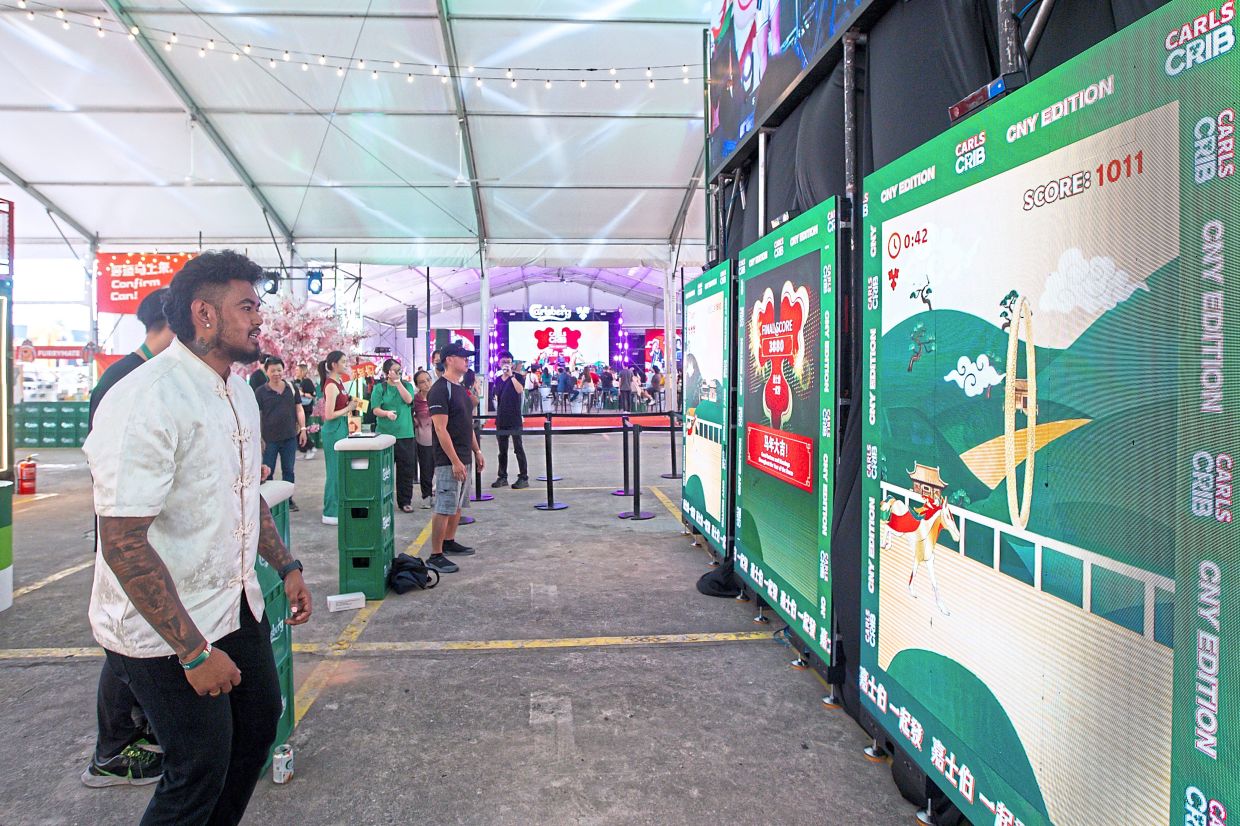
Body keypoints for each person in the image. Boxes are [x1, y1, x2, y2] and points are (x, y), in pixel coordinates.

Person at [84, 249, 312, 825]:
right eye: (247, 307)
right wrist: (194, 652)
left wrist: (286, 565)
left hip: (234, 603)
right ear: (204, 314)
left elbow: (244, 494)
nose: (259, 319)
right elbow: (122, 542)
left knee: (257, 728)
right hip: (162, 628)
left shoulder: (239, 393)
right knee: (198, 767)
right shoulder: (145, 397)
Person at [82, 287, 175, 789]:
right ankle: (112, 750)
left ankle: (137, 730)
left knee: (142, 635)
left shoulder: (152, 374)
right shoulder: (125, 380)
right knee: (125, 641)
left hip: (149, 530)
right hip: (126, 534)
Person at [425, 342, 484, 574]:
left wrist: (476, 451)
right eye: (462, 357)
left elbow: (467, 424)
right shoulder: (440, 390)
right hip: (448, 460)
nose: (467, 361)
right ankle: (435, 554)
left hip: (464, 455)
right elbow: (441, 429)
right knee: (444, 506)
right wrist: (454, 460)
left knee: (457, 505)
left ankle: (449, 541)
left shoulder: (459, 388)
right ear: (449, 359)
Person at [254, 356, 308, 511]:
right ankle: (268, 503)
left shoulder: (291, 388)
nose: (276, 373)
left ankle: (288, 500)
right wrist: (259, 438)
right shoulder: (261, 392)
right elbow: (257, 416)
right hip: (269, 439)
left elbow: (299, 409)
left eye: (279, 370)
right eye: (273, 371)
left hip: (289, 437)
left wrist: (303, 429)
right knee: (267, 471)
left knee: (288, 470)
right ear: (266, 372)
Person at [370, 358, 417, 512]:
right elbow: (375, 409)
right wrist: (386, 413)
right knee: (385, 470)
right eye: (395, 370)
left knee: (406, 469)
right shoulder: (380, 388)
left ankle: (405, 501)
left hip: (405, 434)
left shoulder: (407, 386)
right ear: (387, 372)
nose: (398, 372)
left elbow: (408, 400)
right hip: (385, 435)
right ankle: (383, 499)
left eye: (399, 370)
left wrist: (398, 383)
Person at [318, 350, 356, 525]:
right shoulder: (331, 385)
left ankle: (339, 507)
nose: (345, 364)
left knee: (341, 470)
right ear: (334, 365)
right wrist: (349, 408)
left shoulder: (339, 382)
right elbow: (329, 414)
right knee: (334, 472)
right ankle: (330, 511)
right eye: (343, 361)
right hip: (334, 429)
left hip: (342, 427)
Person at [490, 351, 529, 489]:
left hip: (515, 418)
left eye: (508, 362)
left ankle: (523, 477)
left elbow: (520, 390)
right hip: (501, 419)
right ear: (499, 363)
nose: (506, 364)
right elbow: (496, 397)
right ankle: (502, 477)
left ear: (512, 364)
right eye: (503, 362)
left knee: (518, 448)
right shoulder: (498, 379)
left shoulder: (518, 377)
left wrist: (511, 376)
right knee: (502, 450)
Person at [412, 369, 435, 508]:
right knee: (426, 469)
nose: (426, 383)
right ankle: (426, 496)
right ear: (417, 385)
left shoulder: (438, 395)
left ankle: (440, 494)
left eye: (428, 380)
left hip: (440, 438)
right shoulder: (415, 400)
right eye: (422, 382)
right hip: (423, 438)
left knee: (441, 469)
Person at [293, 363, 317, 460]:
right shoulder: (296, 382)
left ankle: (310, 447)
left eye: (297, 370)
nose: (296, 372)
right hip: (297, 408)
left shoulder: (307, 382)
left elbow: (312, 395)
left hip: (305, 408)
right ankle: (305, 450)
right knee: (297, 429)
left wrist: (302, 393)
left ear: (302, 371)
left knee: (301, 429)